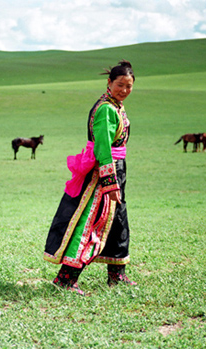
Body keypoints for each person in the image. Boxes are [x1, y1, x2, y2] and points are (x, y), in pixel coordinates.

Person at [44, 60, 137, 295]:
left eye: (129, 86)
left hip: (117, 168)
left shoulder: (116, 105)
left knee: (117, 221)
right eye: (120, 85)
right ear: (109, 82)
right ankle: (66, 278)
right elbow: (103, 148)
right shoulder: (106, 109)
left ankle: (117, 275)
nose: (124, 90)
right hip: (103, 172)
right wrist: (110, 182)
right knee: (91, 222)